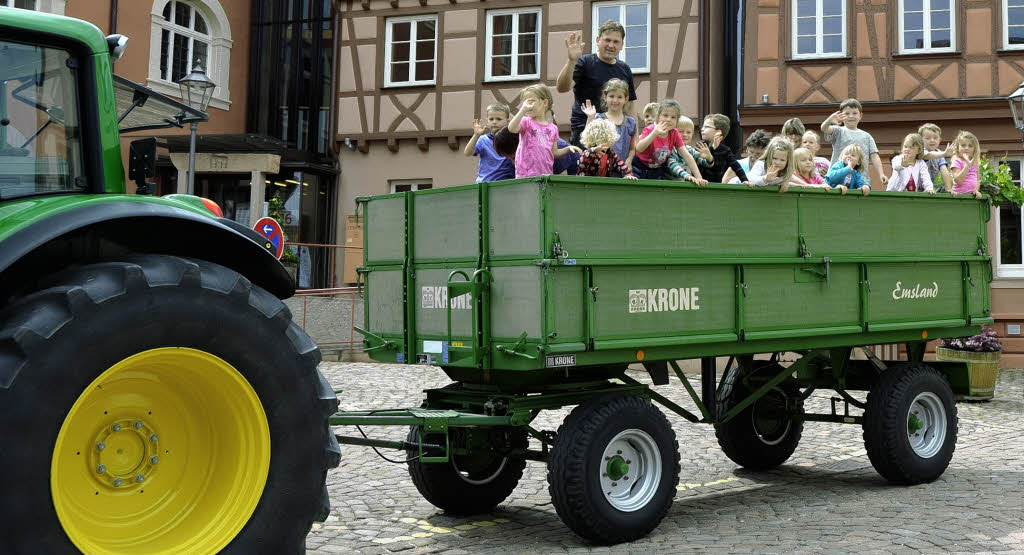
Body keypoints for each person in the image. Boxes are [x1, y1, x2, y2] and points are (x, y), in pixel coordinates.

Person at [556, 21, 638, 148]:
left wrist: (635, 138)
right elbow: (562, 88)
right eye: (607, 40)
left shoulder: (625, 69)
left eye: (616, 42)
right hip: (586, 131)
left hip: (615, 133)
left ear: (622, 45)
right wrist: (572, 61)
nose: (611, 45)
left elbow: (629, 106)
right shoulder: (585, 62)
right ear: (598, 40)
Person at [507, 84, 581, 178]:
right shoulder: (526, 121)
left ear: (545, 103)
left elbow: (554, 152)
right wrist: (522, 110)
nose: (526, 105)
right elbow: (512, 128)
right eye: (524, 102)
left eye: (531, 101)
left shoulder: (553, 128)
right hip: (525, 175)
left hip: (545, 175)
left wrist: (567, 149)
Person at [633, 99, 705, 182]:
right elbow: (639, 149)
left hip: (657, 169)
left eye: (673, 117)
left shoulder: (674, 133)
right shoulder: (650, 129)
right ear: (658, 117)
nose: (668, 119)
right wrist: (654, 133)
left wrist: (699, 177)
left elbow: (687, 155)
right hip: (640, 166)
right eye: (665, 115)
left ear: (677, 121)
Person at [821, 98, 885, 187]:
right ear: (841, 115)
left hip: (860, 182)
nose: (851, 116)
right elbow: (824, 128)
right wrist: (829, 120)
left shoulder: (867, 136)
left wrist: (881, 174)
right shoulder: (838, 131)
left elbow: (874, 156)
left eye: (854, 113)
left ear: (860, 115)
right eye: (847, 113)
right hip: (837, 180)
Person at [580, 78, 637, 167]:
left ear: (626, 99)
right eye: (611, 96)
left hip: (623, 169)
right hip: (602, 169)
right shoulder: (599, 119)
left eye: (619, 97)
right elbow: (587, 142)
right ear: (605, 97)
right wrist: (590, 118)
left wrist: (629, 160)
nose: (615, 100)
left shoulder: (631, 122)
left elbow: (632, 149)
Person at [463, 103, 514, 183]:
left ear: (507, 121)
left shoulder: (512, 139)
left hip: (507, 183)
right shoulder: (483, 139)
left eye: (499, 119)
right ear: (487, 121)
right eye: (491, 119)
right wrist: (476, 135)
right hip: (485, 183)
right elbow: (467, 153)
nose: (494, 122)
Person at [699, 113, 748, 184]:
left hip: (715, 187)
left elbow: (736, 166)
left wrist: (744, 180)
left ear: (718, 132)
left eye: (706, 127)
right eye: (703, 126)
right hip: (699, 185)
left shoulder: (725, 150)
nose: (702, 129)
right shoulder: (700, 146)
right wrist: (712, 148)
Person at [665, 116, 713, 182]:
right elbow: (673, 166)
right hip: (666, 183)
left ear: (692, 134)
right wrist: (687, 175)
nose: (685, 134)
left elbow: (706, 164)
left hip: (681, 183)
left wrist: (709, 158)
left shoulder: (690, 150)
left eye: (688, 132)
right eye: (680, 131)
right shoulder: (670, 149)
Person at [919, 123, 955, 193]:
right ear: (920, 140)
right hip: (914, 186)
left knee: (942, 189)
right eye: (927, 138)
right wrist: (944, 154)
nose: (932, 140)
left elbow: (944, 171)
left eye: (935, 138)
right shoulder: (920, 151)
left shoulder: (939, 153)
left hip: (928, 187)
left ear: (939, 140)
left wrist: (949, 189)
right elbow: (928, 155)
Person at [950, 130, 984, 199]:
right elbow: (958, 181)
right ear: (958, 148)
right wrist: (967, 166)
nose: (966, 148)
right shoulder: (957, 161)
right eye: (963, 145)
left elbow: (977, 179)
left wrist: (976, 190)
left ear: (974, 149)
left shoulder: (975, 162)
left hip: (972, 197)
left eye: (970, 146)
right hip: (959, 196)